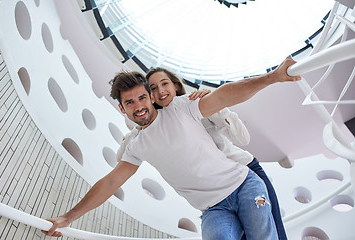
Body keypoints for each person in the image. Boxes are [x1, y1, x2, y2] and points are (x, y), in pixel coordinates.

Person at [42, 57, 300, 239]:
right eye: (130, 102)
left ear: (151, 97)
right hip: (214, 209)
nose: (139, 105)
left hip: (244, 185)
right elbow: (110, 183)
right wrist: (68, 217)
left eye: (143, 97)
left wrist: (274, 77)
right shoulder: (135, 146)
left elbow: (224, 95)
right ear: (122, 109)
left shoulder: (180, 107)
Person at [144, 67, 288, 240]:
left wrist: (218, 105)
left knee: (273, 232)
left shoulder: (197, 105)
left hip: (245, 172)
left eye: (164, 83)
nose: (160, 90)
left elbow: (243, 139)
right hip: (218, 194)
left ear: (175, 86)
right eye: (152, 88)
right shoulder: (160, 129)